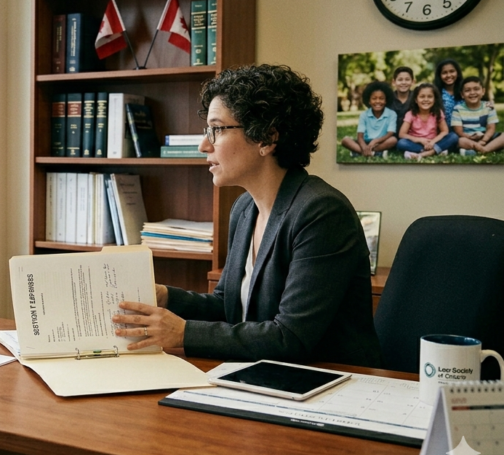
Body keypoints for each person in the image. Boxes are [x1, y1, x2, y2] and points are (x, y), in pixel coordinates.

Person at [111, 64, 381, 367]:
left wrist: (183, 332)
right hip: (263, 376)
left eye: (216, 129)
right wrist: (166, 298)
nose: (204, 145)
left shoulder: (322, 213)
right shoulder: (244, 208)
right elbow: (227, 306)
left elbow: (290, 338)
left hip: (329, 384)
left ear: (266, 138)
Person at [396, 82, 455, 160]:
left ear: (434, 100)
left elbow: (444, 131)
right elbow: (402, 134)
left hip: (433, 142)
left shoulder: (437, 112)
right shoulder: (410, 114)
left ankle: (426, 153)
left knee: (453, 136)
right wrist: (420, 140)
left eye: (430, 96)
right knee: (401, 143)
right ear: (416, 100)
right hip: (417, 143)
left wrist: (432, 142)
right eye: (422, 97)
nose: (426, 99)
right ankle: (437, 150)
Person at [341, 80, 397, 158]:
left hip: (381, 142)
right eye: (374, 98)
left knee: (393, 140)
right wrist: (364, 146)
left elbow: (390, 133)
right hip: (365, 141)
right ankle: (375, 153)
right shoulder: (364, 115)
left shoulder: (391, 114)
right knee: (345, 140)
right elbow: (360, 136)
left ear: (386, 100)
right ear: (369, 101)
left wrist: (375, 141)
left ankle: (358, 152)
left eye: (381, 98)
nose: (377, 101)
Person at [453, 76, 501, 156]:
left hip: (485, 137)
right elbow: (459, 131)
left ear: (483, 91)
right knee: (459, 141)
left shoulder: (489, 107)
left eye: (476, 89)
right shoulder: (458, 109)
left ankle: (480, 150)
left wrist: (484, 140)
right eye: (467, 90)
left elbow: (491, 128)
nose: (472, 92)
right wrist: (469, 137)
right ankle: (485, 149)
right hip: (467, 138)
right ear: (462, 94)